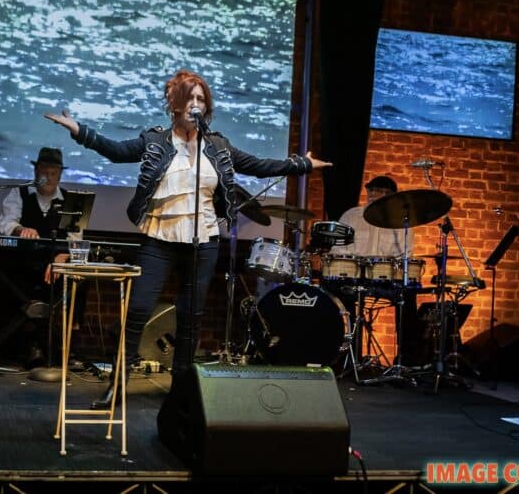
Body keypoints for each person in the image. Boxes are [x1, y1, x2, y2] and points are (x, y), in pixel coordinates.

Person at [46, 68, 332, 408]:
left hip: (203, 241)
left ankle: (181, 390)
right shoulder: (155, 141)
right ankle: (117, 384)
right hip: (159, 238)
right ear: (175, 105)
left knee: (190, 316)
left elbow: (258, 165)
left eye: (201, 99)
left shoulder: (218, 146)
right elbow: (117, 151)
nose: (196, 104)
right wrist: (79, 130)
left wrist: (301, 164)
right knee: (138, 310)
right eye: (190, 98)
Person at [0, 147, 87, 366]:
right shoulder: (19, 194)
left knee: (79, 281)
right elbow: (6, 223)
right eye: (45, 172)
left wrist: (62, 258)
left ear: (60, 175)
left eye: (54, 173)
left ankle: (68, 347)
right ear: (36, 171)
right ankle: (30, 345)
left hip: (58, 264)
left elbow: (76, 238)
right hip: (26, 263)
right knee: (17, 281)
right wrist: (20, 230)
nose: (49, 177)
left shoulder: (70, 201)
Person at [327, 175, 423, 367]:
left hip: (385, 279)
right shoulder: (351, 216)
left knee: (408, 293)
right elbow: (337, 249)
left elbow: (404, 256)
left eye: (381, 192)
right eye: (372, 190)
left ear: (391, 196)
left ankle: (406, 360)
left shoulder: (401, 221)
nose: (374, 195)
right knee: (334, 290)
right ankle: (347, 355)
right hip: (354, 277)